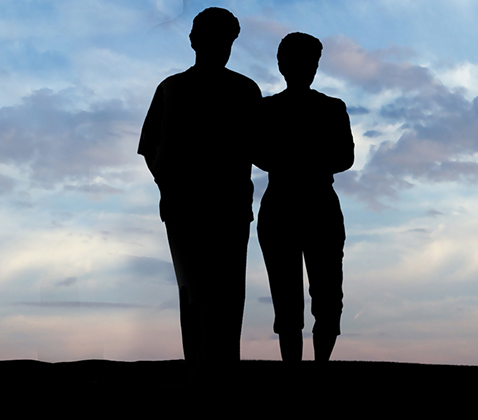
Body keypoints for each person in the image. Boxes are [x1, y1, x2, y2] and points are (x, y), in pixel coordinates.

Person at [138, 7, 261, 379]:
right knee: (197, 291)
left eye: (224, 39)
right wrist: (170, 184)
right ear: (194, 41)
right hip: (190, 207)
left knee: (221, 293)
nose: (218, 46)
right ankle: (205, 370)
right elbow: (150, 148)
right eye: (211, 37)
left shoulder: (243, 89)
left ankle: (218, 370)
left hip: (225, 207)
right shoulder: (172, 88)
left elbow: (260, 146)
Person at [255, 32, 355, 362]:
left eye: (311, 62)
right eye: (301, 61)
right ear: (283, 65)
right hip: (289, 205)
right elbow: (256, 152)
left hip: (313, 206)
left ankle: (316, 368)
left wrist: (291, 159)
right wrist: (307, 160)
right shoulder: (267, 109)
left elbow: (345, 157)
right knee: (288, 297)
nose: (307, 68)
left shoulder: (331, 108)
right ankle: (297, 371)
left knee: (326, 295)